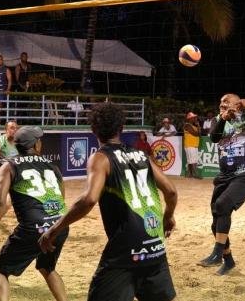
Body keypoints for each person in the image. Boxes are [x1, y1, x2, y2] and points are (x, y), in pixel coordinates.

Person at [40, 103, 178, 301]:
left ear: (93, 129)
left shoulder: (101, 158)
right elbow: (171, 191)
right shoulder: (142, 156)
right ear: (121, 128)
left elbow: (89, 200)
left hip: (126, 247)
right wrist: (169, 216)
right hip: (155, 245)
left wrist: (55, 229)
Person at [0, 126, 68, 301]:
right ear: (36, 145)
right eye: (39, 140)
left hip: (33, 228)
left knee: (0, 270)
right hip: (59, 225)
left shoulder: (9, 166)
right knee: (47, 268)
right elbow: (61, 198)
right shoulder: (52, 165)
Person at [199, 93, 245, 275]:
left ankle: (217, 254)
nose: (222, 103)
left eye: (226, 100)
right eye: (220, 101)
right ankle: (228, 261)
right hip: (224, 176)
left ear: (237, 103)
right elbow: (214, 138)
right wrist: (223, 119)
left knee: (222, 204)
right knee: (216, 223)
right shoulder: (217, 120)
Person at [183, 112, 202, 179]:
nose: (195, 119)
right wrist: (198, 129)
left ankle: (189, 174)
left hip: (193, 145)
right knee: (193, 160)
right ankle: (195, 174)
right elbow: (196, 134)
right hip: (190, 145)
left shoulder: (194, 126)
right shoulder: (187, 125)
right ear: (190, 119)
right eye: (193, 118)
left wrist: (198, 126)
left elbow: (199, 134)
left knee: (191, 161)